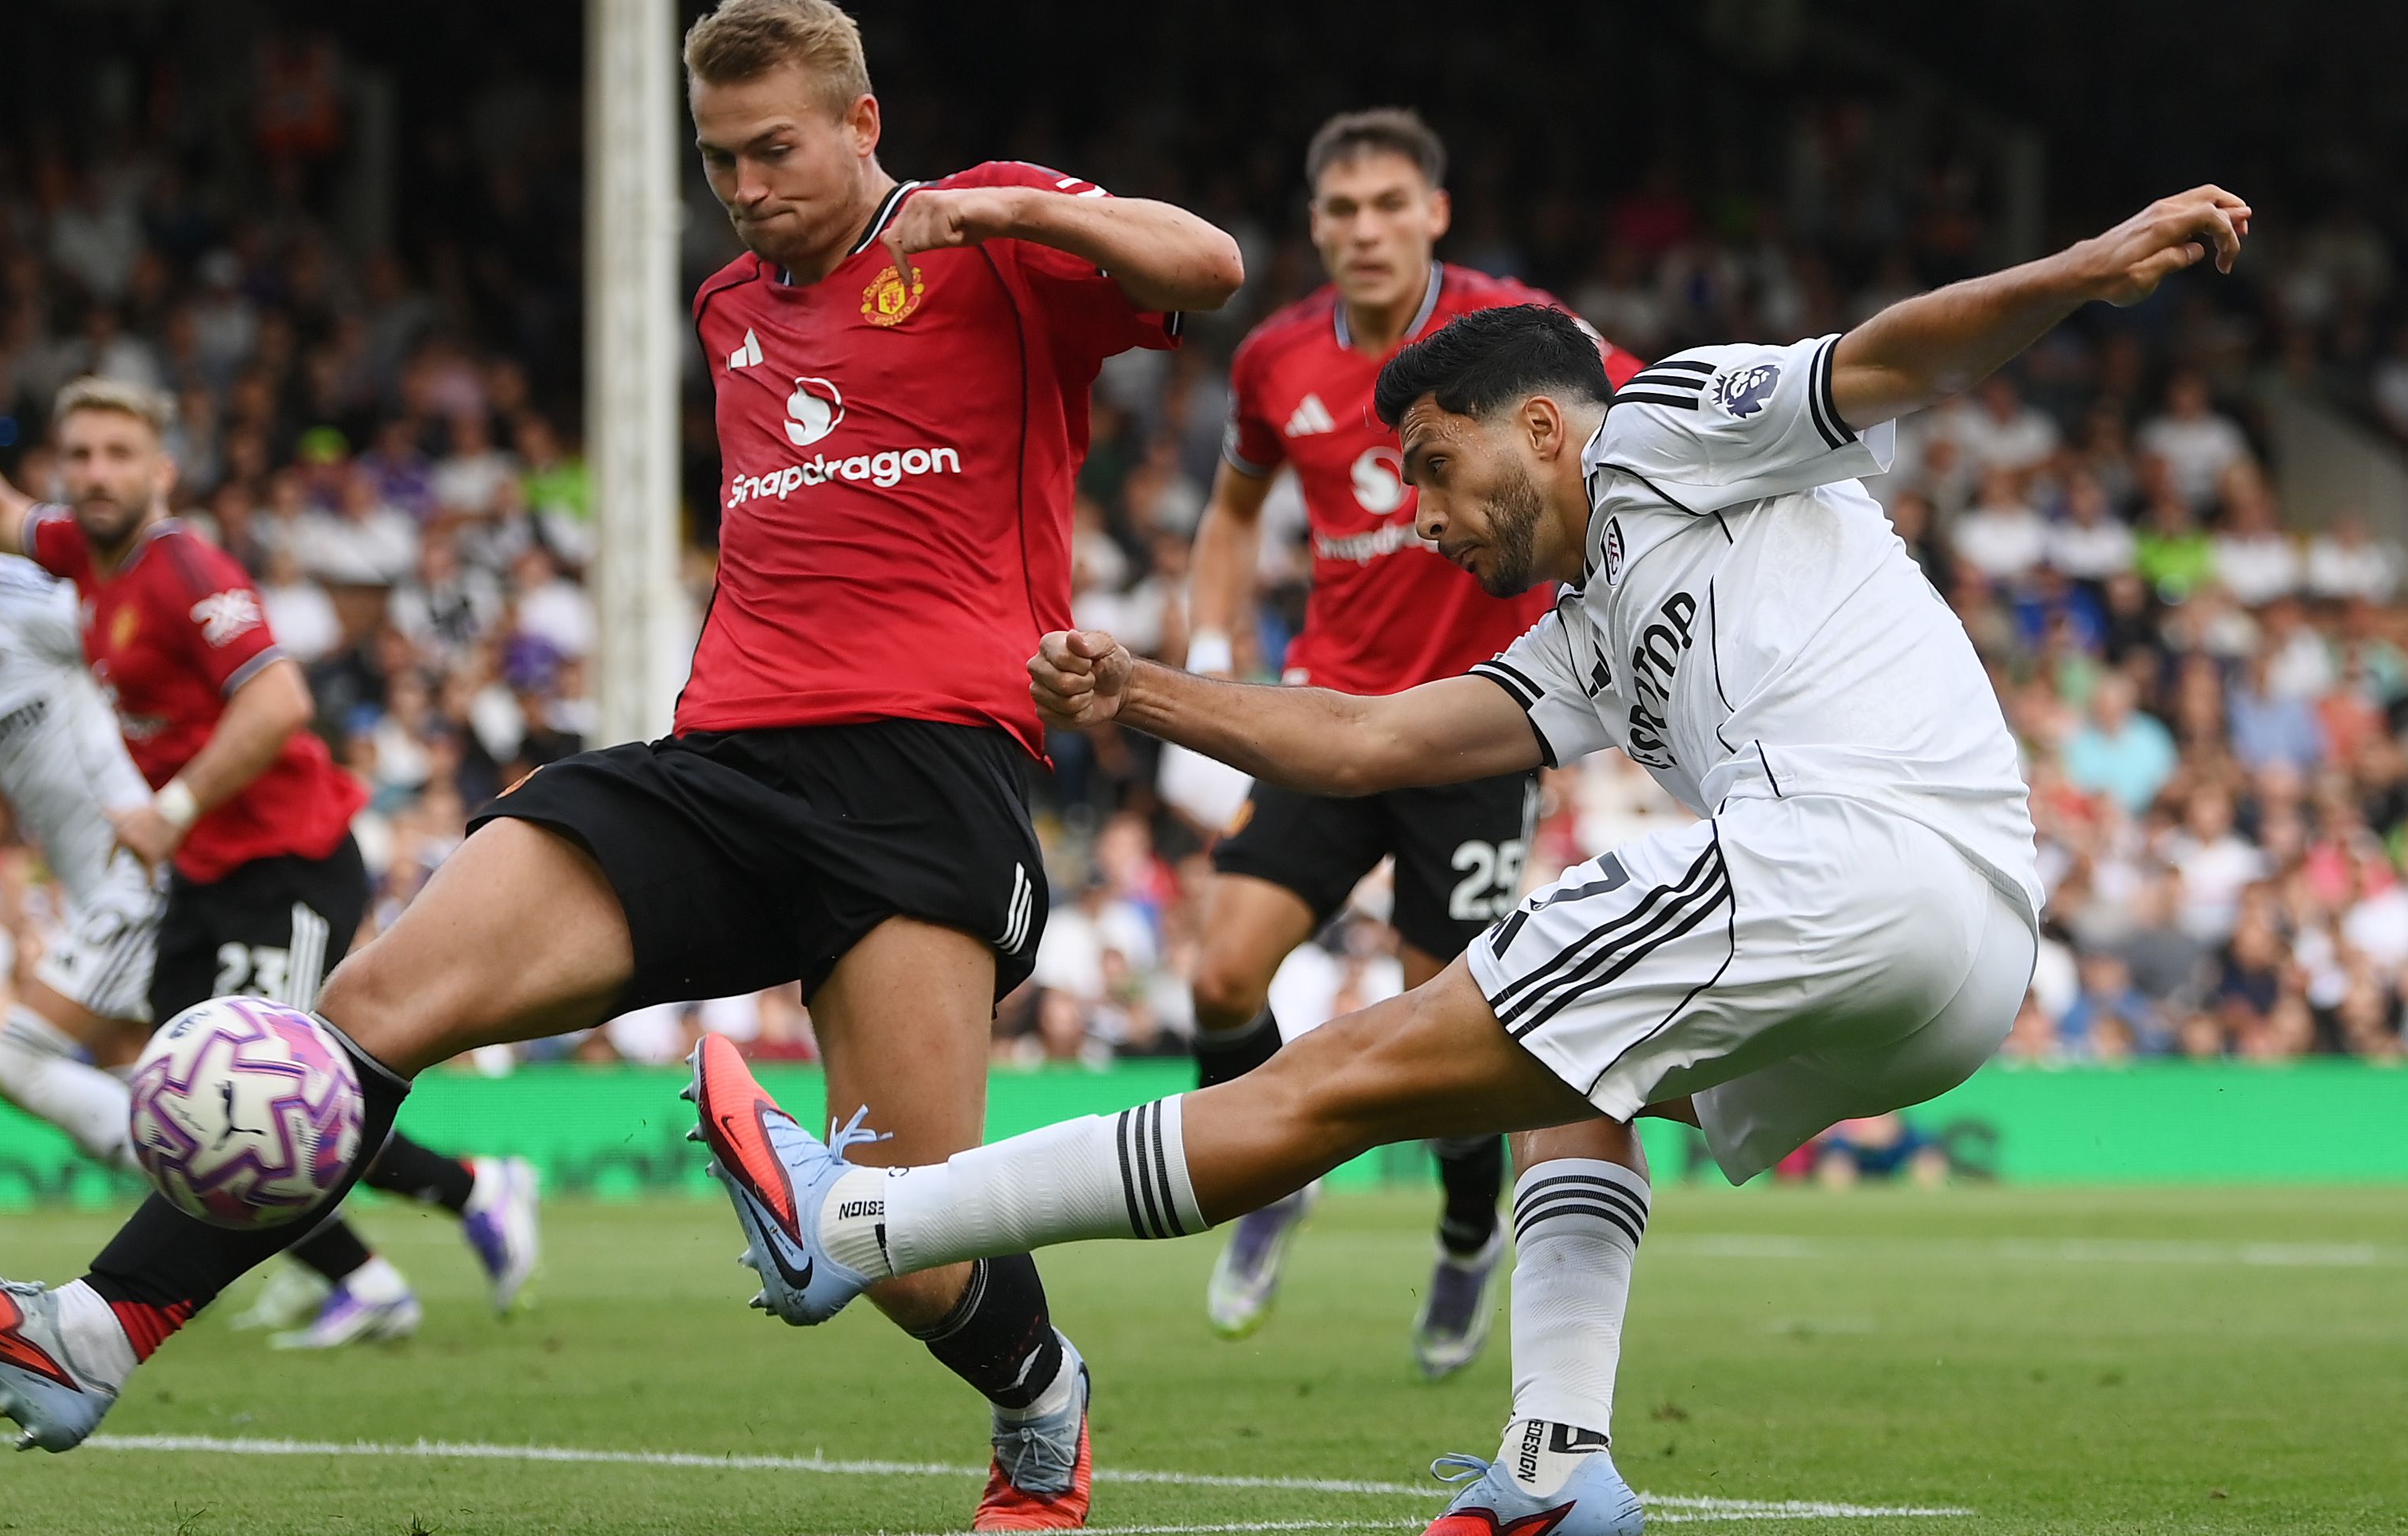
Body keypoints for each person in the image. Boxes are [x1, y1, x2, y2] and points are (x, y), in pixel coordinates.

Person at [0, 2, 1237, 1529]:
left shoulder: (989, 239)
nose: (746, 186)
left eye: (775, 148)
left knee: (907, 1246)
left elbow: (1209, 269)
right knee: (367, 1013)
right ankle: (91, 1336)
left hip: (924, 777)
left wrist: (1017, 207)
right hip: (713, 764)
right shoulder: (726, 305)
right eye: (718, 159)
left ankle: (1041, 1401)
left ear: (858, 123)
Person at [692, 186, 2248, 1536]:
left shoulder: (1661, 426)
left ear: (1542, 425)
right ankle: (1555, 1461)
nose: (1417, 517)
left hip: (1854, 860)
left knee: (1335, 1074)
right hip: (1959, 963)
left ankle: (861, 1226)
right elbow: (1373, 748)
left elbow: (1885, 361)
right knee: (1569, 1091)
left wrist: (2083, 266)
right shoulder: (1582, 635)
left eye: (1429, 469)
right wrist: (1142, 695)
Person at [0, 358, 538, 1362]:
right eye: (80, 455)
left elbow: (281, 704)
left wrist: (170, 807)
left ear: (162, 471)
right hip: (206, 873)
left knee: (271, 1095)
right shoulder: (77, 558)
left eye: (119, 454)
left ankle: (384, 1255)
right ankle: (441, 1208)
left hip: (288, 859)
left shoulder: (187, 571)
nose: (95, 473)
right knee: (190, 1092)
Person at [1177, 106, 1641, 1372]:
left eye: (1389, 204)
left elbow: (1634, 425)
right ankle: (1275, 1177)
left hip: (1470, 724)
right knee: (1220, 974)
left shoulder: (1518, 331)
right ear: (1313, 225)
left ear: (1433, 212)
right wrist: (1213, 657)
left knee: (1439, 1030)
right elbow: (1231, 515)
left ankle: (1461, 1232)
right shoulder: (1272, 358)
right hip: (1330, 711)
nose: (1363, 229)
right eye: (1339, 210)